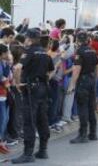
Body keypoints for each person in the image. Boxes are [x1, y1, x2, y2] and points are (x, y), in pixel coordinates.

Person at [12, 29, 55, 164]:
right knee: (42, 119)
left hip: (31, 90)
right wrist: (43, 80)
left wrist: (18, 84)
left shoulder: (29, 52)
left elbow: (17, 68)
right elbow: (51, 70)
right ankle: (43, 150)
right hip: (43, 88)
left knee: (29, 121)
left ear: (29, 39)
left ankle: (28, 154)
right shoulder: (45, 53)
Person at [67, 32, 98, 144]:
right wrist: (94, 79)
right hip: (91, 79)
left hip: (83, 81)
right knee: (91, 107)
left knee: (82, 108)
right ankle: (93, 133)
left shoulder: (79, 52)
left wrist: (72, 85)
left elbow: (77, 69)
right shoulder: (92, 51)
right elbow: (97, 67)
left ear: (78, 40)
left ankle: (83, 134)